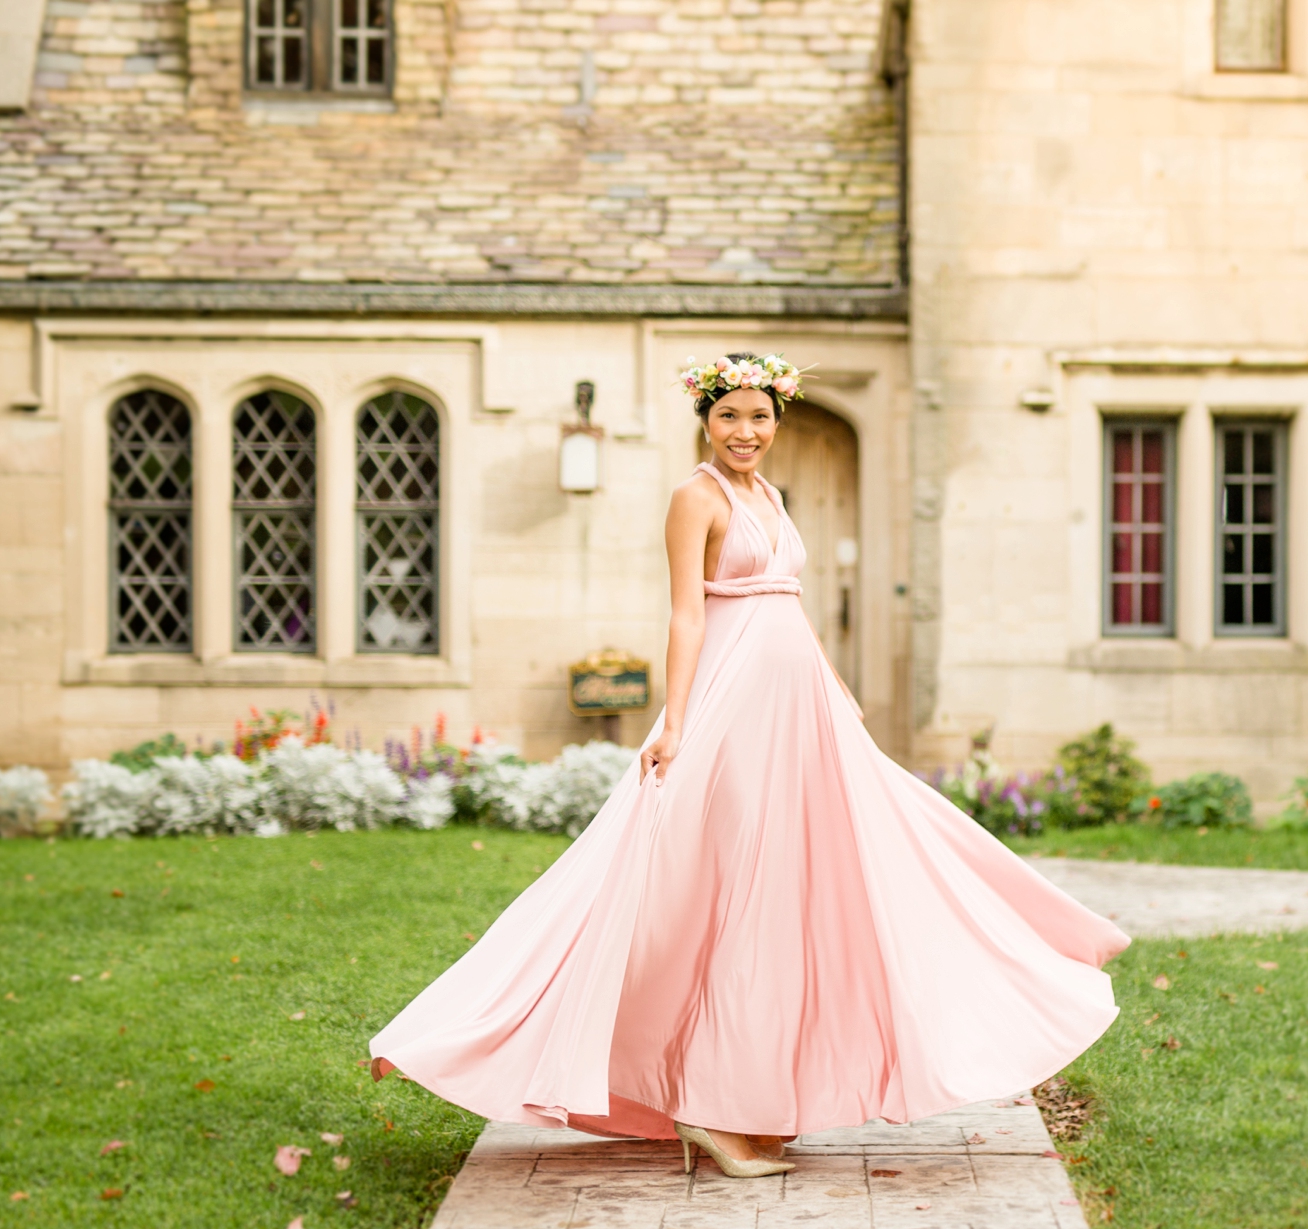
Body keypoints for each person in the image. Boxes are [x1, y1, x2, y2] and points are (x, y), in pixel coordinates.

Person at [369, 352, 1129, 1178]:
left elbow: (784, 605)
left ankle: (762, 1095)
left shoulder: (771, 495)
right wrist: (677, 723)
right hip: (730, 711)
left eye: (760, 416)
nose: (746, 431)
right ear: (706, 419)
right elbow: (688, 617)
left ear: (777, 422)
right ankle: (711, 1106)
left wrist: (834, 685)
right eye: (730, 415)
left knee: (821, 880)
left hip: (797, 708)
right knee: (731, 890)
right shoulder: (695, 497)